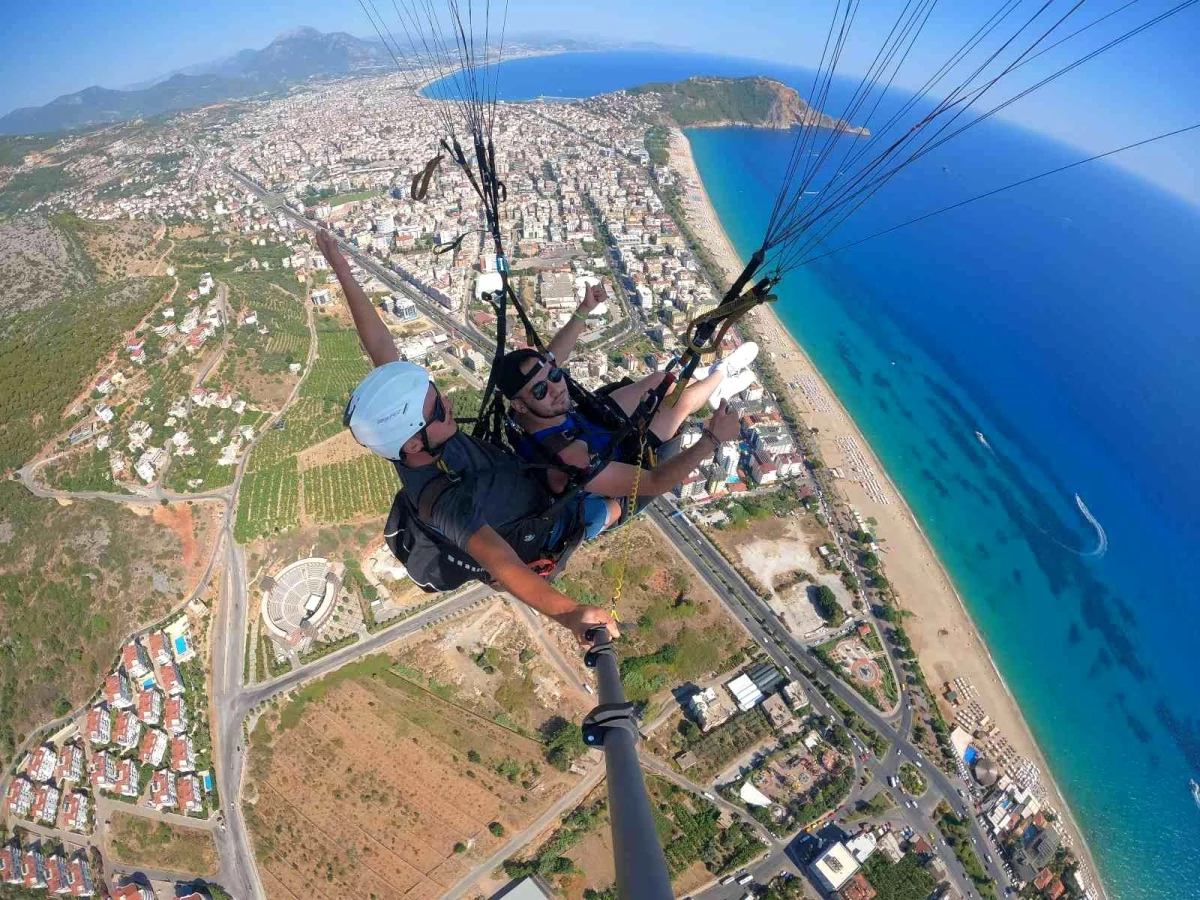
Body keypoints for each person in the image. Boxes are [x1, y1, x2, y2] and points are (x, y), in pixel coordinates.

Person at [316, 230, 618, 646]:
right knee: (619, 504)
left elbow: (383, 351)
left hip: (519, 488)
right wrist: (571, 614)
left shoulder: (410, 442)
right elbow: (503, 563)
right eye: (439, 408)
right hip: (537, 530)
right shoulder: (442, 502)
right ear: (414, 444)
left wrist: (343, 271)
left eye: (438, 395)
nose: (450, 406)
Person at [496, 282, 758, 498]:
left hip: (584, 426)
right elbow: (653, 483)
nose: (556, 388)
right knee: (681, 403)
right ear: (520, 405)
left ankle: (701, 380)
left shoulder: (524, 402)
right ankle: (721, 373)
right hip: (616, 456)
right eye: (541, 390)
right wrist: (711, 439)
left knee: (658, 379)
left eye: (554, 375)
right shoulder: (569, 459)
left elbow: (554, 356)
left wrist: (585, 309)